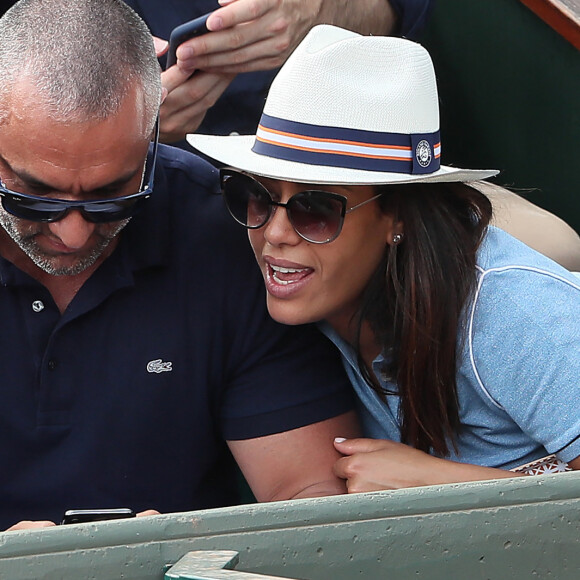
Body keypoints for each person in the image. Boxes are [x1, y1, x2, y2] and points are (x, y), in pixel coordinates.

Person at [0, 1, 360, 531]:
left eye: (112, 196)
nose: (72, 232)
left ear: (152, 139)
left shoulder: (226, 233)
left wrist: (179, 550)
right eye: (34, 195)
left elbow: (312, 496)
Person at [188, 25, 580, 493]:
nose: (273, 233)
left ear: (399, 219)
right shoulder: (294, 293)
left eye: (314, 208)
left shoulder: (513, 310)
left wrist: (443, 485)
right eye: (255, 196)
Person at [123, 0, 433, 145]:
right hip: (159, 199)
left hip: (339, 171)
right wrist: (116, 125)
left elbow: (404, 12)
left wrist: (326, 13)